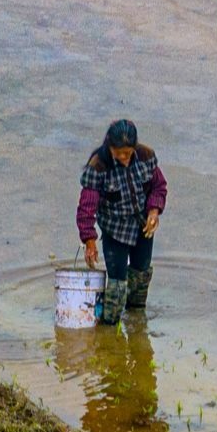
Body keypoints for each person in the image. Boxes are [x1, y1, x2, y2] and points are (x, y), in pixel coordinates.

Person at [76, 119, 167, 323]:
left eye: (128, 152)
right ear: (110, 146)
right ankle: (109, 330)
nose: (125, 158)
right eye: (120, 153)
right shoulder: (98, 167)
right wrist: (89, 241)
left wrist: (154, 212)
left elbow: (159, 187)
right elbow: (86, 208)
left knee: (141, 277)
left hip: (143, 227)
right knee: (117, 285)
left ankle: (136, 323)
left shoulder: (145, 156)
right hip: (115, 230)